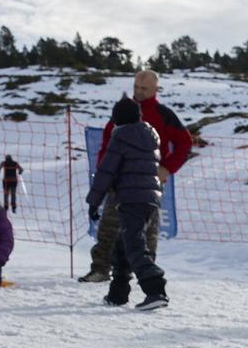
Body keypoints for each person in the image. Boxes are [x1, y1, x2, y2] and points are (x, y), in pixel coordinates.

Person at [80, 70, 191, 283]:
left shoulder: (164, 115)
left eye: (144, 89)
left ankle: (145, 273)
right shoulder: (122, 112)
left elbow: (185, 143)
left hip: (149, 183)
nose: (139, 92)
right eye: (136, 88)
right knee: (109, 227)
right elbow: (107, 147)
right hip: (119, 182)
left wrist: (167, 168)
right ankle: (100, 269)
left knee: (147, 232)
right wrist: (106, 174)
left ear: (155, 89)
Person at [85, 97, 168, 310]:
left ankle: (155, 289)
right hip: (151, 200)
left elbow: (106, 171)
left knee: (134, 245)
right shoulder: (150, 137)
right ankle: (118, 293)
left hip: (131, 199)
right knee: (123, 244)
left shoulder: (121, 138)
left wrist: (94, 202)